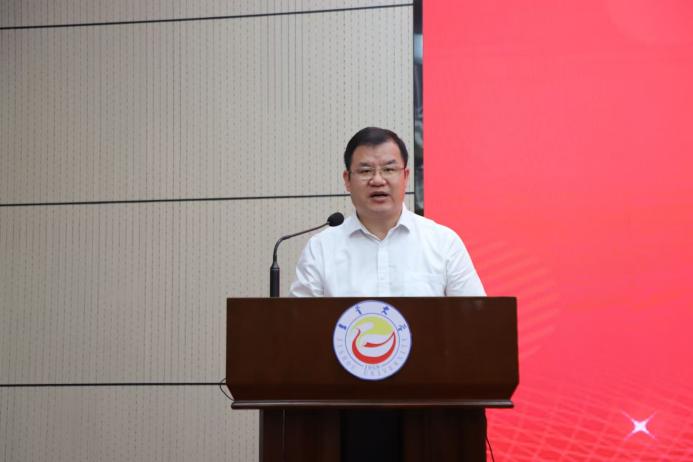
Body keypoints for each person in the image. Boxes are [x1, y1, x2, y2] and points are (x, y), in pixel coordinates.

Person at [289, 126, 485, 297]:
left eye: (389, 169)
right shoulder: (321, 249)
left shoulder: (443, 243)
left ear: (405, 176)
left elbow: (475, 318)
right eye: (365, 171)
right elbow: (299, 322)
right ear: (347, 180)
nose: (377, 180)